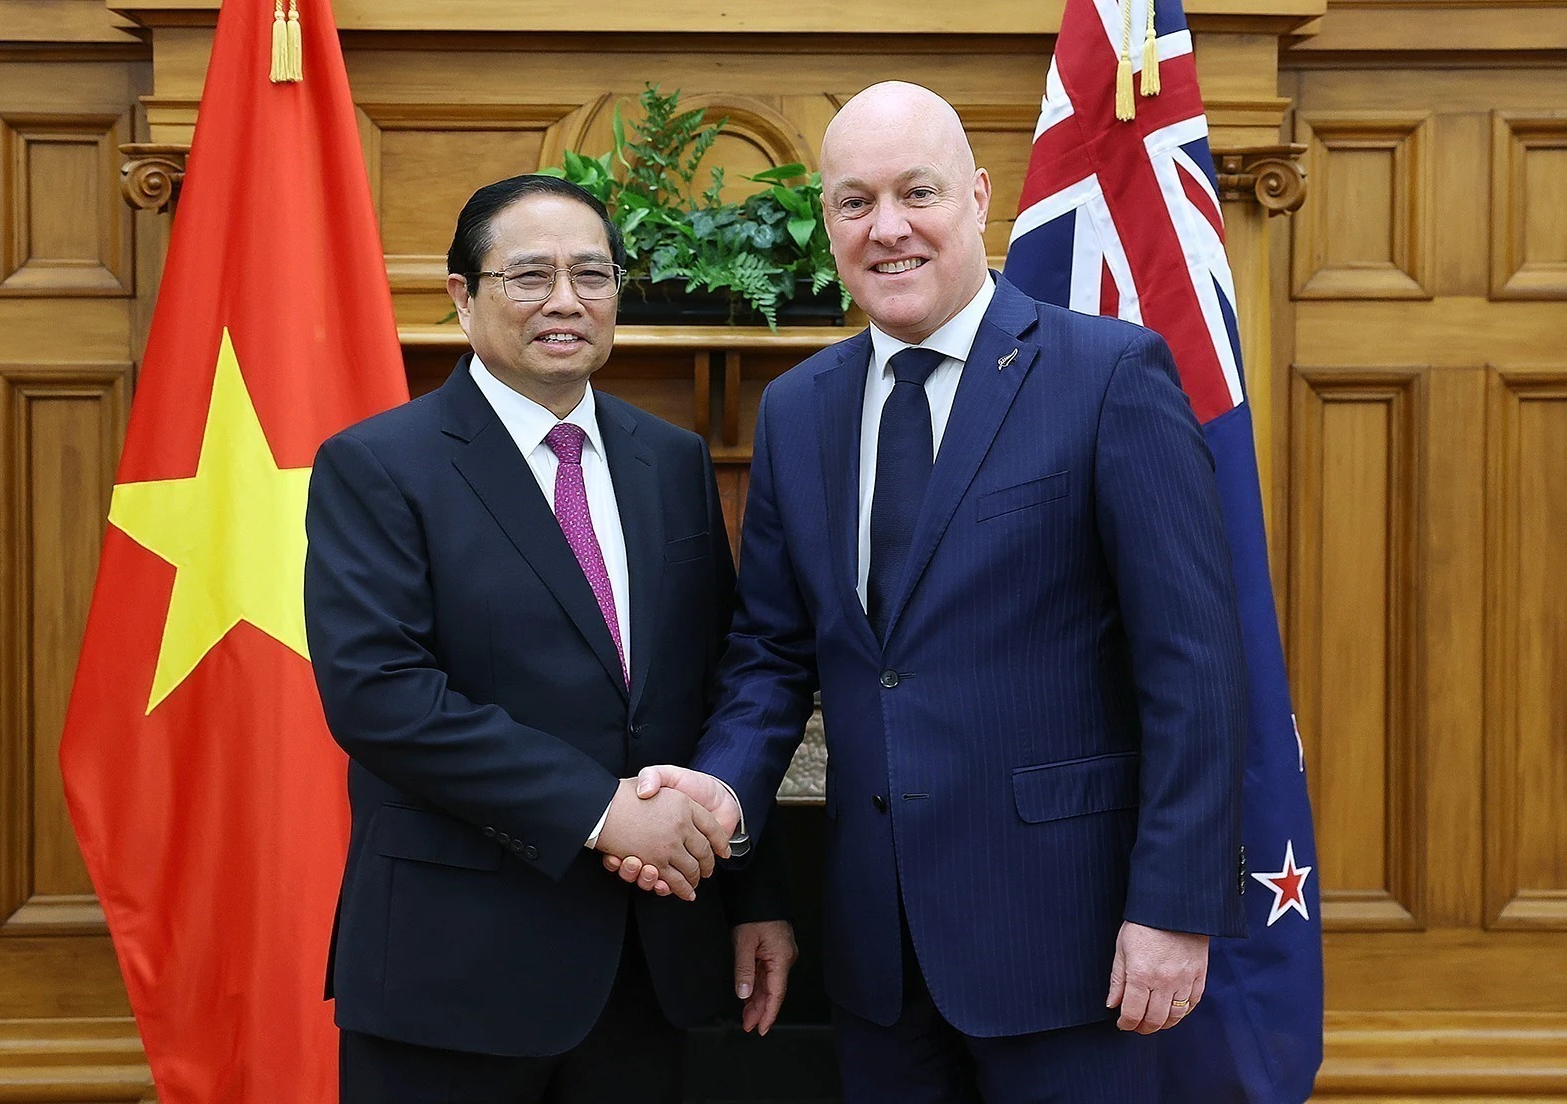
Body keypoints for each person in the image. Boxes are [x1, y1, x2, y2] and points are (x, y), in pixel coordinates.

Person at [611, 82, 1249, 1102]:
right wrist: (725, 792)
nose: (887, 227)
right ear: (826, 220)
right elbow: (773, 655)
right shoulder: (799, 411)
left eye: (918, 192)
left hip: (1074, 944)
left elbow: (1195, 664)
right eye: (854, 202)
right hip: (876, 953)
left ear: (980, 196)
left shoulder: (1106, 375)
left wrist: (1174, 906)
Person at [304, 173, 796, 1104]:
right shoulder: (377, 466)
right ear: (462, 296)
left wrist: (752, 892)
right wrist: (603, 810)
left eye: (592, 275)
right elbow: (381, 694)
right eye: (530, 275)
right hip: (453, 977)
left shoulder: (672, 461)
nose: (566, 302)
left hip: (653, 964)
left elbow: (716, 688)